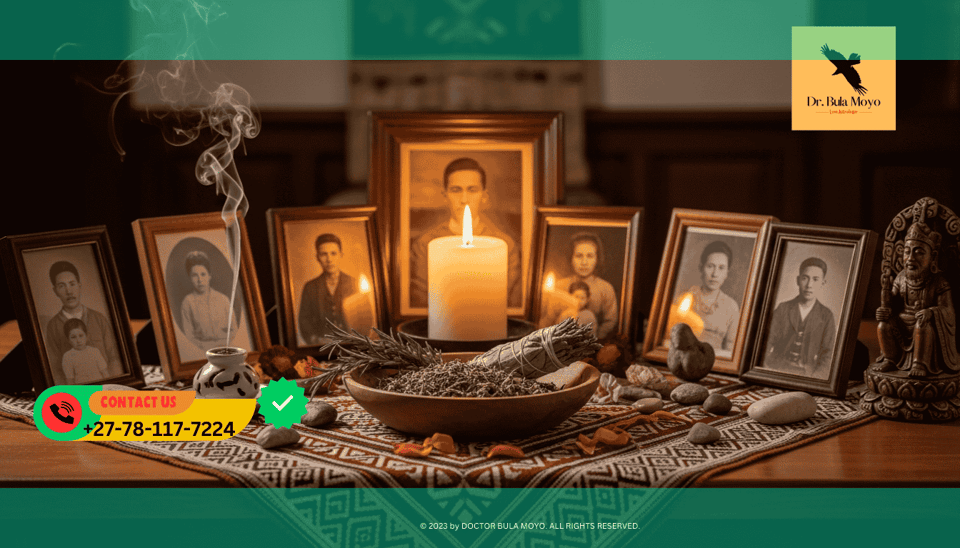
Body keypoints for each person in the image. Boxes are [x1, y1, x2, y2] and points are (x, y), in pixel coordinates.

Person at [409, 157, 522, 309]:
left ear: (484, 196)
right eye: (456, 190)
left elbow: (510, 303)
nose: (464, 199)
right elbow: (420, 302)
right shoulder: (425, 245)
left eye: (472, 190)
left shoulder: (504, 245)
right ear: (445, 196)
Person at [876, 220, 960, 378]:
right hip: (902, 323)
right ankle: (890, 358)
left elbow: (948, 311)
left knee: (922, 326)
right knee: (883, 325)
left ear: (933, 256)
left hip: (925, 327)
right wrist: (884, 308)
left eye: (919, 252)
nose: (911, 258)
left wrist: (931, 312)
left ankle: (920, 363)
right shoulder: (901, 278)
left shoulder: (939, 282)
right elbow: (892, 302)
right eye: (907, 251)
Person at [44, 261, 122, 382]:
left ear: (79, 286)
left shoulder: (99, 318)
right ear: (55, 291)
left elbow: (114, 358)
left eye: (72, 284)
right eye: (61, 286)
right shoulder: (53, 327)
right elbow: (56, 370)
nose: (69, 291)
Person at [764, 257, 837, 379]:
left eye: (815, 279)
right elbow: (766, 341)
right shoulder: (783, 309)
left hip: (806, 374)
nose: (809, 285)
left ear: (823, 283)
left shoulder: (826, 316)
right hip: (776, 369)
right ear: (798, 280)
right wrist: (765, 368)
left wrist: (816, 378)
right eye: (805, 278)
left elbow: (828, 355)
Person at [670, 241, 740, 354]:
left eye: (721, 268)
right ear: (701, 268)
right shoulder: (684, 299)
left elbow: (730, 350)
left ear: (726, 273)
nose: (715, 274)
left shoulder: (731, 307)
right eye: (710, 266)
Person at [298, 233, 359, 345]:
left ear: (341, 255)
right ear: (317, 257)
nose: (329, 259)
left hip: (351, 346)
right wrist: (315, 340)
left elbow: (363, 319)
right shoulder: (310, 287)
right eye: (324, 254)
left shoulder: (353, 283)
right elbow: (304, 320)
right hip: (321, 347)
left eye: (333, 253)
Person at [555, 232, 618, 339]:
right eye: (579, 256)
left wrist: (594, 341)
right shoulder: (559, 286)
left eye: (590, 256)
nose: (584, 262)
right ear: (571, 258)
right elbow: (548, 319)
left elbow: (610, 321)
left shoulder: (606, 288)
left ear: (597, 259)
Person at [180, 250, 237, 350]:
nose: (199, 280)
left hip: (227, 348)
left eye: (203, 274)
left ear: (209, 276)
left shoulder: (223, 299)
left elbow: (234, 330)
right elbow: (189, 337)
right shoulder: (187, 302)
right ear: (190, 278)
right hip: (203, 351)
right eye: (194, 275)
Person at [61, 318, 110, 384]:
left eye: (81, 336)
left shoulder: (94, 351)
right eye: (73, 337)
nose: (78, 340)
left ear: (86, 336)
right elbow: (70, 380)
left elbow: (104, 372)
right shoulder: (67, 356)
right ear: (68, 340)